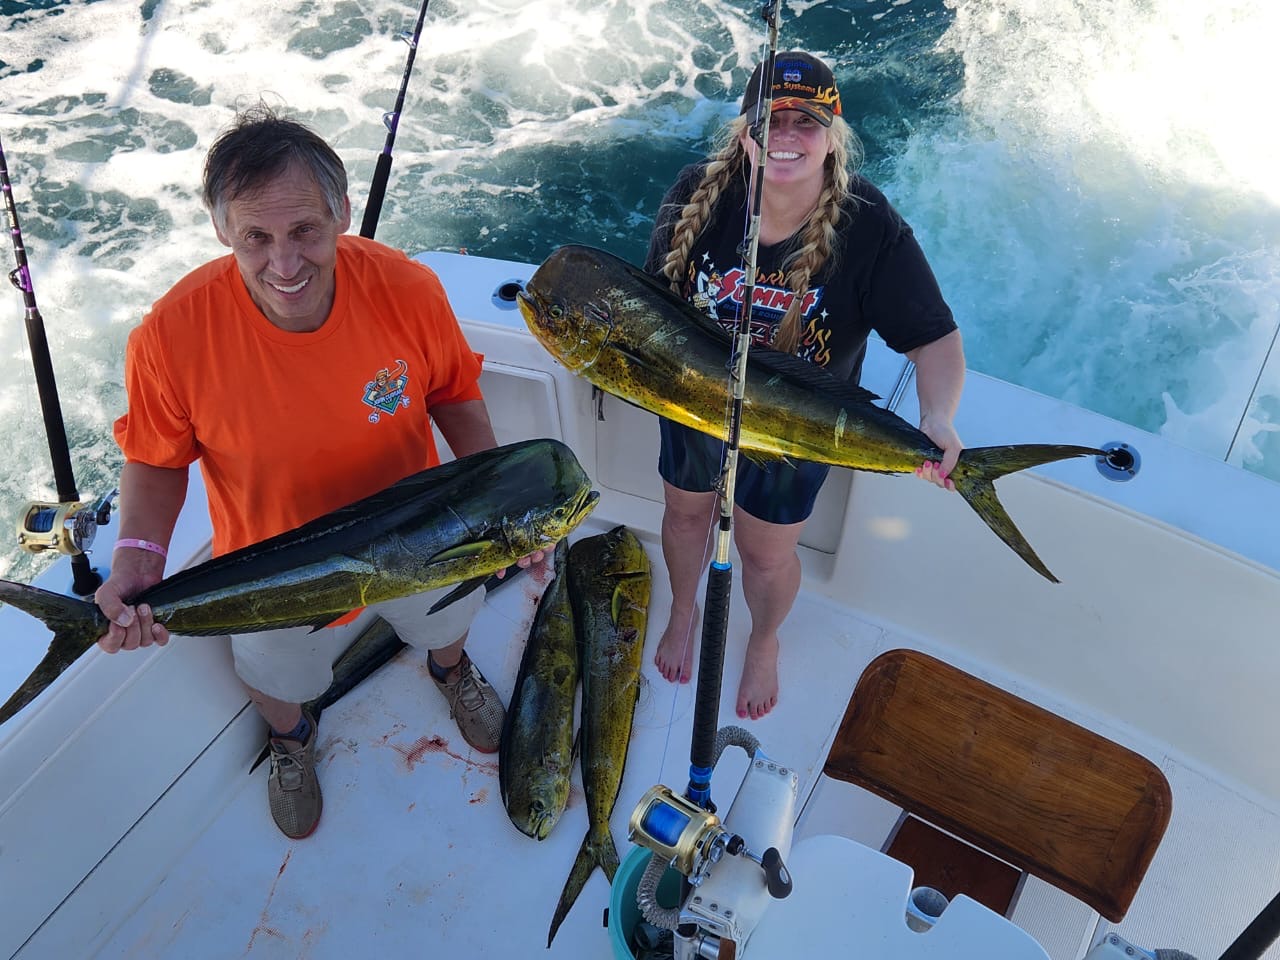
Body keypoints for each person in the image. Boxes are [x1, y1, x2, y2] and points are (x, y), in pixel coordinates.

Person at [94, 104, 537, 840]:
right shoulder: (169, 335)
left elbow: (453, 392)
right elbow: (156, 458)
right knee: (277, 676)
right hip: (274, 564)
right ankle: (291, 738)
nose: (285, 262)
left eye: (305, 230)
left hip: (417, 534)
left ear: (342, 215)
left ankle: (450, 671)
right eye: (256, 238)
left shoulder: (407, 288)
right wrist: (139, 559)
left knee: (447, 617)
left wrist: (494, 502)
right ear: (222, 233)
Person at [644, 52, 965, 721]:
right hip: (695, 407)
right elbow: (651, 308)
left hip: (799, 428)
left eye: (807, 121)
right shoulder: (696, 193)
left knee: (764, 556)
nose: (786, 135)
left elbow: (934, 338)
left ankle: (764, 639)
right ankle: (683, 609)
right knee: (684, 515)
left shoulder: (867, 224)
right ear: (743, 133)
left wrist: (937, 417)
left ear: (833, 135)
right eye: (769, 120)